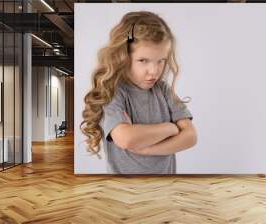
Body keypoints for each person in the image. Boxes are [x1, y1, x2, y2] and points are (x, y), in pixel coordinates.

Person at [80, 11, 197, 174]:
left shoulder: (163, 90)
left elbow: (190, 136)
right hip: (125, 192)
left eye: (161, 61)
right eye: (143, 61)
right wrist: (170, 128)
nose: (154, 71)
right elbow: (126, 139)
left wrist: (146, 150)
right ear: (123, 56)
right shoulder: (114, 91)